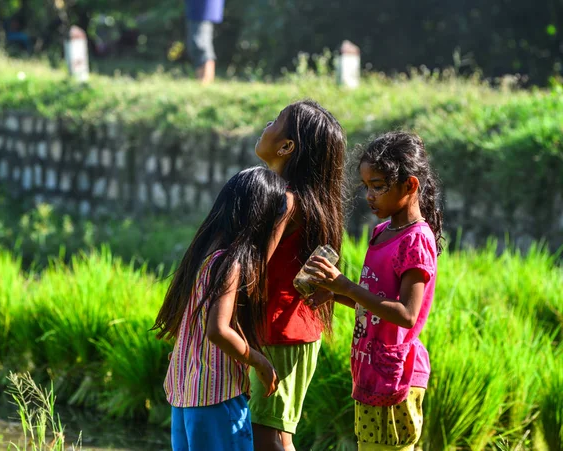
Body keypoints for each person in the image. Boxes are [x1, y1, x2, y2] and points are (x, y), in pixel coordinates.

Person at [304, 131, 443, 451]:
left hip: (397, 376)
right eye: (366, 186)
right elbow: (377, 305)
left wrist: (346, 286)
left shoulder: (416, 239)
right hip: (369, 370)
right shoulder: (382, 232)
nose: (369, 195)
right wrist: (334, 293)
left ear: (410, 185)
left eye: (378, 186)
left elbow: (406, 314)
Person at [152, 167, 288, 450]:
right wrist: (260, 362)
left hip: (186, 395)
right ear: (261, 220)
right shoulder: (231, 264)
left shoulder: (202, 256)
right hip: (218, 395)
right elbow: (218, 330)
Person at [250, 99, 346, 450]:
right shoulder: (306, 200)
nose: (266, 124)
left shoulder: (287, 202)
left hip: (281, 332)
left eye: (275, 120)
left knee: (269, 435)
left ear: (287, 146)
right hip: (287, 329)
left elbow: (253, 266)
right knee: (270, 431)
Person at [185, 0, 225, 84]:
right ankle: (200, 79)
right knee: (196, 43)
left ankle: (206, 79)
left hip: (203, 8)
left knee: (200, 43)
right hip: (197, 9)